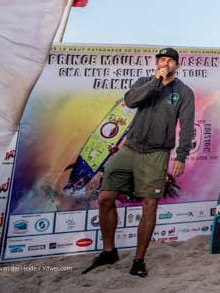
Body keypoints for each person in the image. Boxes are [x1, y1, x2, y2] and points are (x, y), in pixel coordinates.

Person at [84, 47, 195, 278]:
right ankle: (109, 251)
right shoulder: (145, 81)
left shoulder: (183, 92)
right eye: (162, 60)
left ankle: (138, 259)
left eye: (171, 61)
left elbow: (186, 126)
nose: (166, 64)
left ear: (177, 65)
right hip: (130, 148)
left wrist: (181, 156)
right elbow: (131, 101)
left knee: (150, 204)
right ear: (156, 63)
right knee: (105, 198)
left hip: (157, 153)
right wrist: (155, 81)